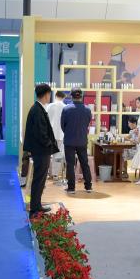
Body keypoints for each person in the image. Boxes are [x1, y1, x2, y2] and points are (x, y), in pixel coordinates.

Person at [23, 83, 59, 216]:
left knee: (40, 179)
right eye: (49, 94)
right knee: (39, 179)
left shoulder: (37, 108)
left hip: (40, 150)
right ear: (46, 94)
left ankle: (37, 205)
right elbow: (41, 133)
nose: (50, 96)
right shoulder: (37, 110)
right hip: (41, 150)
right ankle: (35, 208)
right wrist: (49, 144)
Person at [60, 88, 93, 195]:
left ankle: (71, 188)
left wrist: (69, 132)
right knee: (84, 163)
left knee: (70, 164)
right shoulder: (87, 110)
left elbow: (62, 125)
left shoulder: (66, 109)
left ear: (71, 96)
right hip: (82, 140)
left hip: (69, 140)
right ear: (81, 96)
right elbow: (87, 123)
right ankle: (88, 186)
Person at [45, 90, 67, 179]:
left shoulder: (49, 106)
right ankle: (55, 174)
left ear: (55, 96)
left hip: (49, 134)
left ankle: (46, 173)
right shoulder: (65, 107)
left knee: (47, 154)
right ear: (64, 97)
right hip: (61, 134)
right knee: (58, 155)